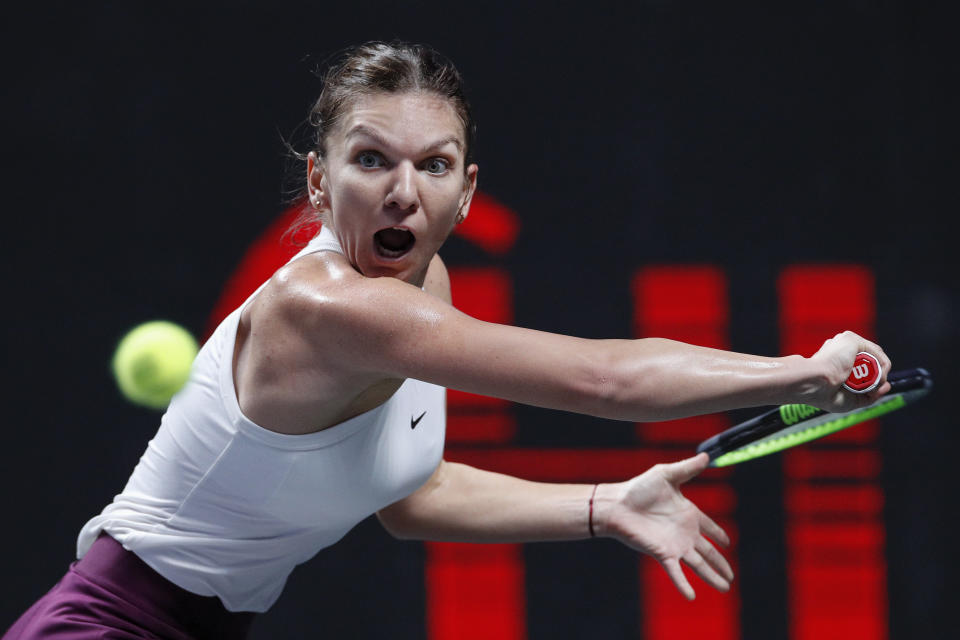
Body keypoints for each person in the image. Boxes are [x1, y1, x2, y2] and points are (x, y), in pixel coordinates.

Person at [4, 41, 891, 639]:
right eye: (370, 160)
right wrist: (799, 374)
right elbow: (601, 379)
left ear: (466, 192)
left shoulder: (424, 287)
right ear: (318, 182)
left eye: (432, 166)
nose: (403, 193)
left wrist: (604, 504)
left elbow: (409, 496)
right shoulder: (329, 305)